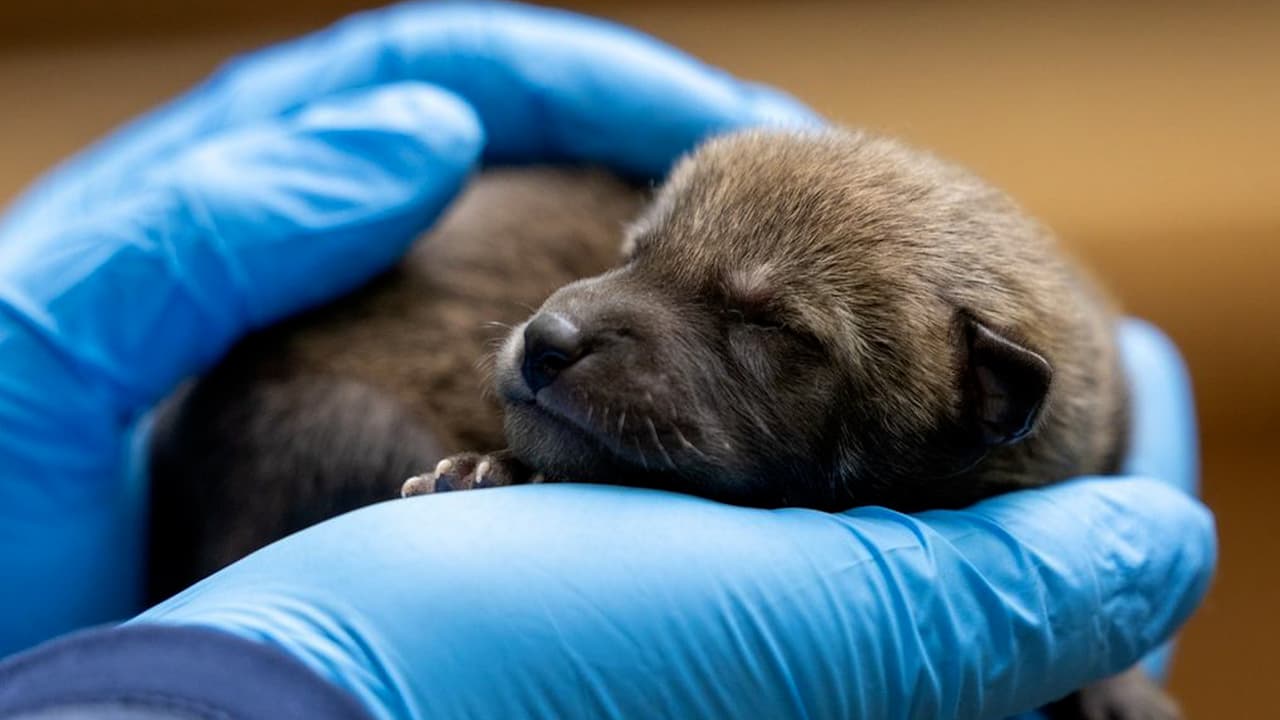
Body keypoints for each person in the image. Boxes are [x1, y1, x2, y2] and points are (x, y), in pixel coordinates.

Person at [0, 3, 1215, 719]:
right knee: (330, 422)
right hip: (312, 452)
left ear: (982, 404)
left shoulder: (1050, 419)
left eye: (768, 332)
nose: (567, 324)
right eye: (642, 253)